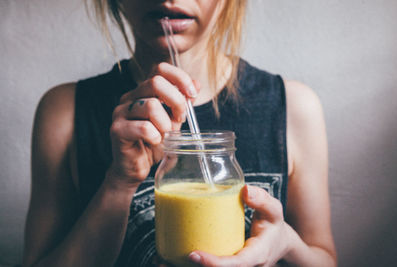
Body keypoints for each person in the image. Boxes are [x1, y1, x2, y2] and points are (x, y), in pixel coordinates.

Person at [22, 0, 337, 266]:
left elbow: (324, 258)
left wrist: (286, 242)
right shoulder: (64, 111)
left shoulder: (293, 106)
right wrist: (119, 183)